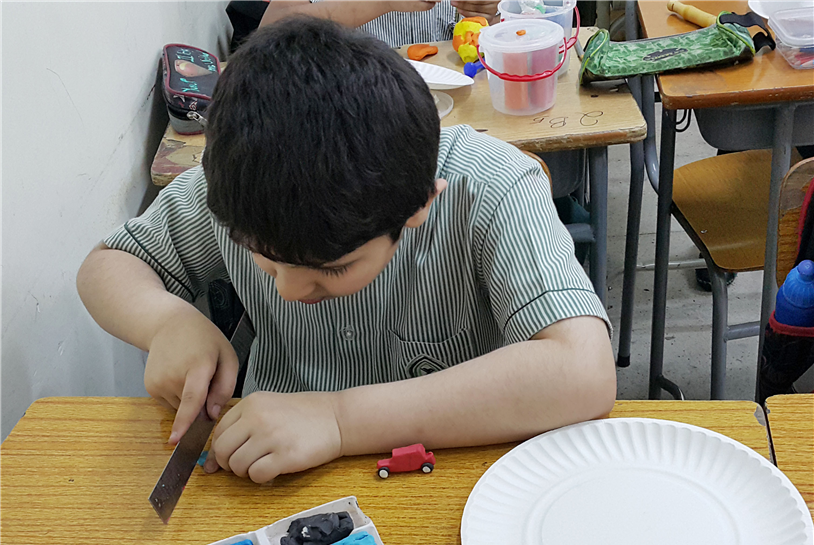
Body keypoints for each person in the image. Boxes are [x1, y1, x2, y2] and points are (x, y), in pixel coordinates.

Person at [77, 18, 615, 484]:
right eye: (263, 258)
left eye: (331, 269)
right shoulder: (242, 182)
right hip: (270, 464)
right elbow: (109, 264)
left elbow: (583, 371)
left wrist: (339, 420)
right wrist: (166, 322)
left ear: (420, 205)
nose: (289, 290)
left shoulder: (490, 185)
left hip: (454, 470)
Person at [228, 0, 499, 50]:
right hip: (348, 103)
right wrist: (383, 2)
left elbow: (506, 30)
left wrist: (491, 12)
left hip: (448, 102)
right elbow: (269, 33)